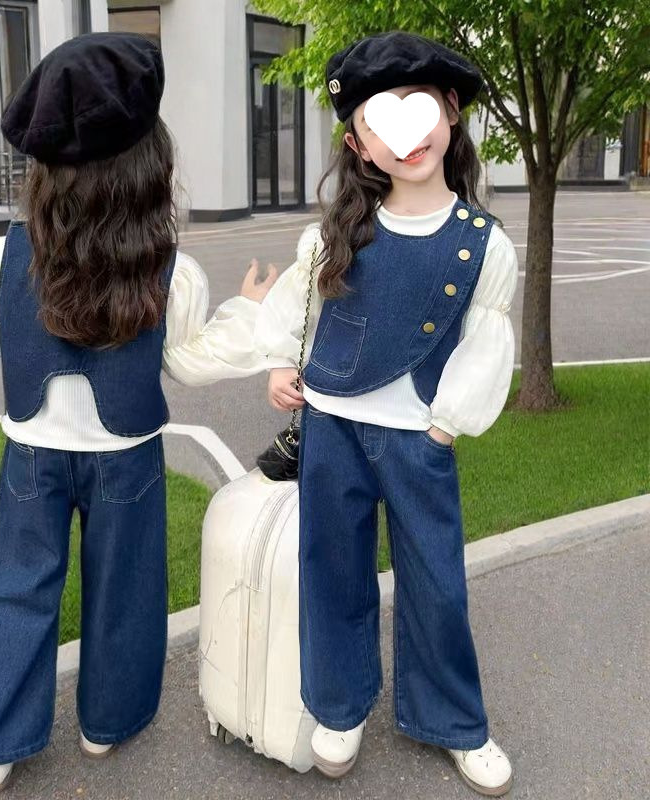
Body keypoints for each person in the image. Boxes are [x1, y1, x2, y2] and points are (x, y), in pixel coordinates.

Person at [0, 32, 276, 796]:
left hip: (33, 456)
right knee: (126, 593)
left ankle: (1, 743)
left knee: (19, 589)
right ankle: (104, 725)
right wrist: (249, 313)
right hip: (128, 458)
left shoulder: (5, 255)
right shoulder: (168, 268)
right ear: (150, 165)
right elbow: (190, 358)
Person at [255, 31, 518, 796]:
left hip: (418, 440)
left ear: (451, 112)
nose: (406, 134)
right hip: (332, 430)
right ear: (359, 144)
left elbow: (484, 345)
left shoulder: (482, 246)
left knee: (436, 582)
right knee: (333, 572)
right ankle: (340, 708)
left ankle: (455, 722)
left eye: (419, 107)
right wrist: (279, 361)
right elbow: (298, 306)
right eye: (380, 119)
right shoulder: (336, 232)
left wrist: (444, 425)